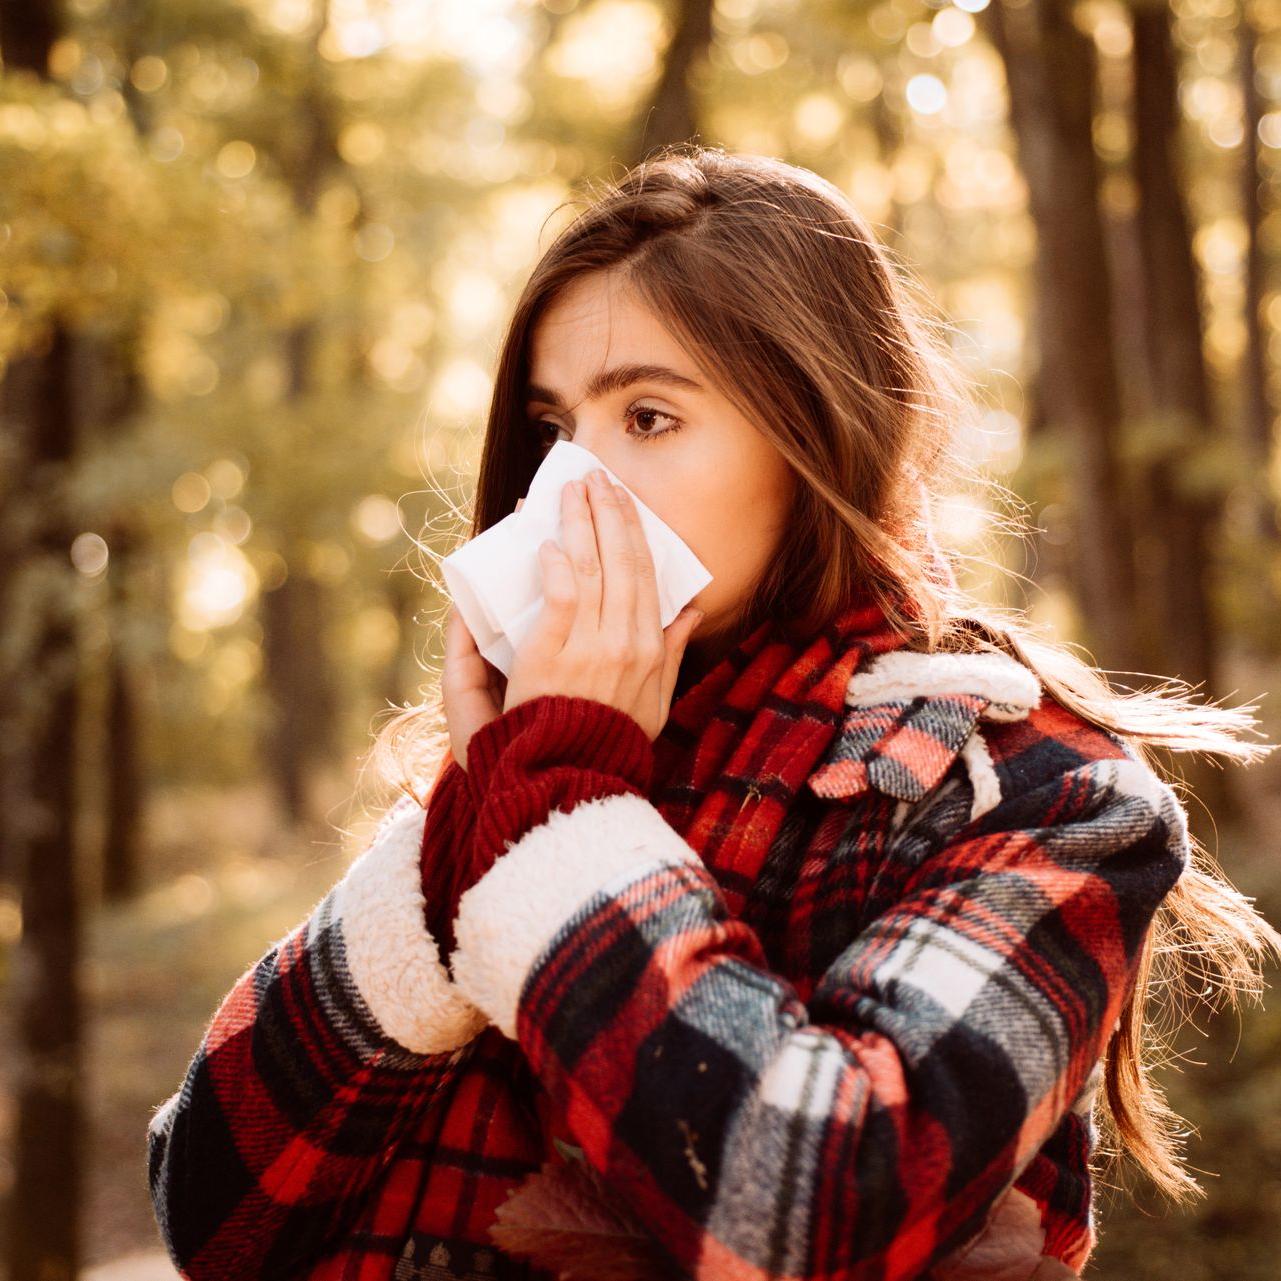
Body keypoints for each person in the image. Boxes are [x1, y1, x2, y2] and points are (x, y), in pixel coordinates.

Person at [147, 145, 1280, 1281]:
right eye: (555, 427)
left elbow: (818, 1213)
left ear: (818, 431)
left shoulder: (1045, 796)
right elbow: (210, 1212)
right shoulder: (530, 764)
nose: (572, 490)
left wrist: (557, 813)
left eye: (647, 417)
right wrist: (470, 826)